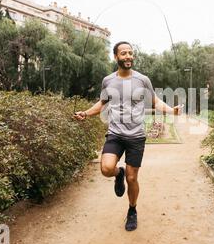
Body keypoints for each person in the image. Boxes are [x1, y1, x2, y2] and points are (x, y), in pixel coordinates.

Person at [74, 41, 182, 232]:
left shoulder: (143, 80)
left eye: (130, 53)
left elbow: (155, 101)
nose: (128, 56)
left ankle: (132, 210)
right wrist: (86, 113)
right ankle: (119, 173)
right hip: (115, 133)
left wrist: (171, 111)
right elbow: (102, 103)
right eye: (123, 53)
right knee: (106, 169)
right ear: (116, 57)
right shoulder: (108, 81)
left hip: (136, 137)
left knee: (132, 179)